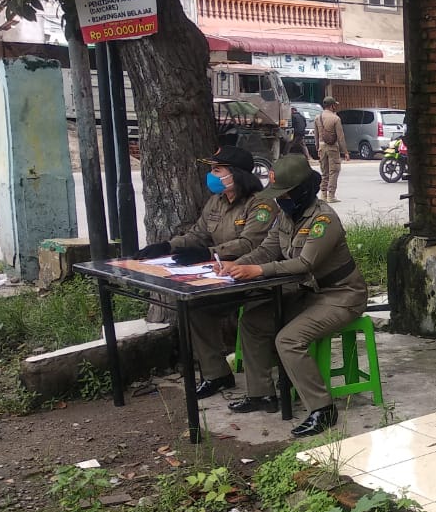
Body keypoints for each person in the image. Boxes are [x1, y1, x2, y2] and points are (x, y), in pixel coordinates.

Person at [217, 155, 367, 437]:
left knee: (288, 340)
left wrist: (258, 271)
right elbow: (266, 249)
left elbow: (304, 264)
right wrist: (235, 264)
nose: (278, 201)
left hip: (341, 296)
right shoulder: (286, 216)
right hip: (308, 294)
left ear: (300, 191)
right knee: (253, 322)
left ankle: (323, 410)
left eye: (283, 195)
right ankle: (261, 394)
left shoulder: (324, 220)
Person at [132, 145, 274, 398]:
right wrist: (167, 246)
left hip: (256, 278)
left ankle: (261, 392)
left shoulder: (260, 204)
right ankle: (216, 375)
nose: (212, 175)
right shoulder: (216, 202)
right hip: (222, 277)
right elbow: (198, 234)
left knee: (253, 324)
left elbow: (250, 243)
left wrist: (209, 253)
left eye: (217, 170)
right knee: (197, 309)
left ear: (236, 174)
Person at [313, 96, 349, 203]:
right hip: (332, 147)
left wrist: (317, 148)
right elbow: (340, 137)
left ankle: (323, 194)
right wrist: (345, 152)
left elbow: (316, 135)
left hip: (321, 147)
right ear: (332, 106)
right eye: (335, 105)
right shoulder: (335, 118)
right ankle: (331, 195)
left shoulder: (317, 117)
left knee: (324, 172)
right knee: (334, 170)